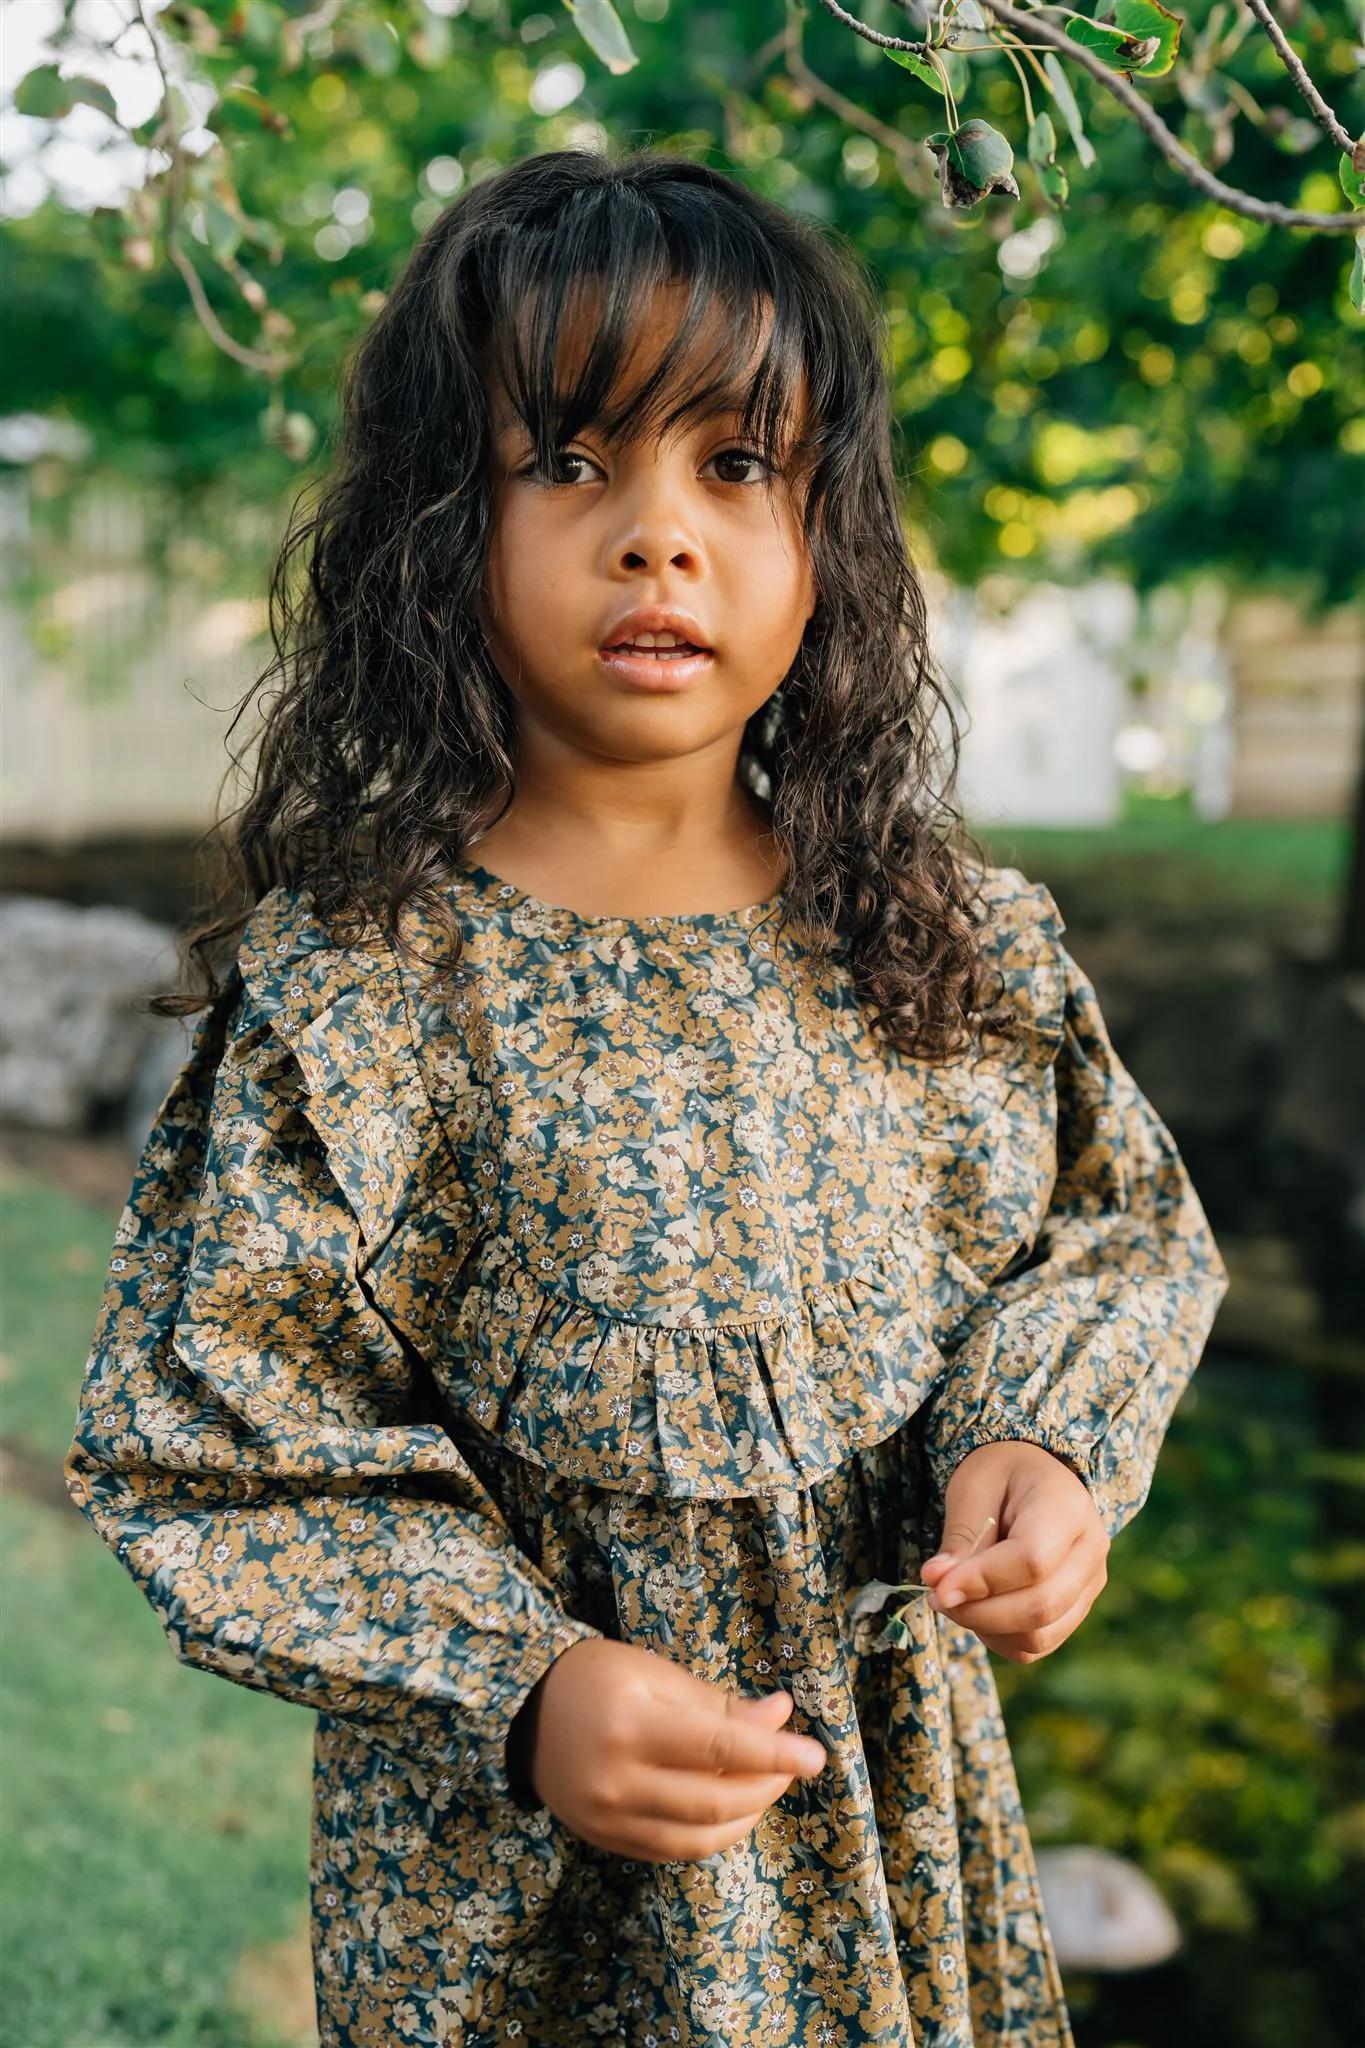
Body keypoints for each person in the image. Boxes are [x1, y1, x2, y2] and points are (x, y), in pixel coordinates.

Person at [63, 144, 1229, 2048]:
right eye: (574, 461)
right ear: (442, 525)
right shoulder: (358, 994)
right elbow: (219, 1434)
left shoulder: (940, 944)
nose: (658, 535)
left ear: (826, 531)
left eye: (735, 465)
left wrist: (1041, 1446)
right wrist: (522, 1678)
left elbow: (1105, 1235)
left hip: (887, 1845)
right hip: (519, 1897)